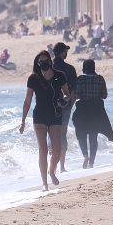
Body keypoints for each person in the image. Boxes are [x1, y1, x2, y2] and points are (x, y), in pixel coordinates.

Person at [19, 49, 69, 189]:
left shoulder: (59, 76)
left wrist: (64, 100)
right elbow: (28, 100)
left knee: (57, 150)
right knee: (43, 150)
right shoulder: (33, 78)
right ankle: (44, 182)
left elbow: (67, 93)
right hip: (39, 116)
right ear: (37, 63)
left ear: (50, 61)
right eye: (40, 62)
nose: (43, 63)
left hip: (55, 114)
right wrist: (23, 120)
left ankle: (52, 171)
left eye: (45, 61)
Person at [71, 58, 113, 168]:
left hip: (83, 109)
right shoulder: (100, 79)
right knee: (93, 136)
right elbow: (104, 95)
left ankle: (85, 155)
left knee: (81, 134)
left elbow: (77, 95)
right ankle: (91, 162)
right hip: (96, 110)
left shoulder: (80, 79)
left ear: (84, 68)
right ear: (94, 67)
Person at [49, 42, 78, 170]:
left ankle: (52, 165)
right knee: (62, 133)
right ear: (62, 52)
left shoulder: (47, 67)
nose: (67, 53)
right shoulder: (70, 69)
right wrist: (70, 102)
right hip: (65, 105)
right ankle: (61, 166)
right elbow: (73, 92)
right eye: (66, 51)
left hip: (50, 104)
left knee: (51, 132)